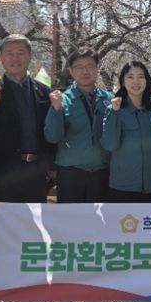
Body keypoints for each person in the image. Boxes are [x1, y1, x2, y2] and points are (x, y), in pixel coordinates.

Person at [102, 60, 151, 302]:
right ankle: (124, 293)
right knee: (124, 242)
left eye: (140, 76)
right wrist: (115, 114)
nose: (136, 82)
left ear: (147, 80)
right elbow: (110, 144)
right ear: (122, 82)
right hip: (123, 186)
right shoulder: (115, 108)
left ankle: (147, 292)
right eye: (130, 77)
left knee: (148, 242)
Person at [0, 34, 54, 207]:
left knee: (34, 223)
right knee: (5, 223)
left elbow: (48, 133)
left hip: (36, 173)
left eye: (20, 53)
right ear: (1, 58)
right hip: (2, 175)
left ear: (30, 56)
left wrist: (50, 167)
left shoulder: (44, 92)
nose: (15, 58)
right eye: (9, 53)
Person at [45, 48, 113, 204]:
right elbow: (52, 136)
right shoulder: (62, 100)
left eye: (90, 66)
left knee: (102, 219)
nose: (85, 71)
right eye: (79, 67)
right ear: (71, 71)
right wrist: (56, 110)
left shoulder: (110, 99)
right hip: (71, 174)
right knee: (72, 219)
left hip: (102, 172)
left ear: (98, 68)